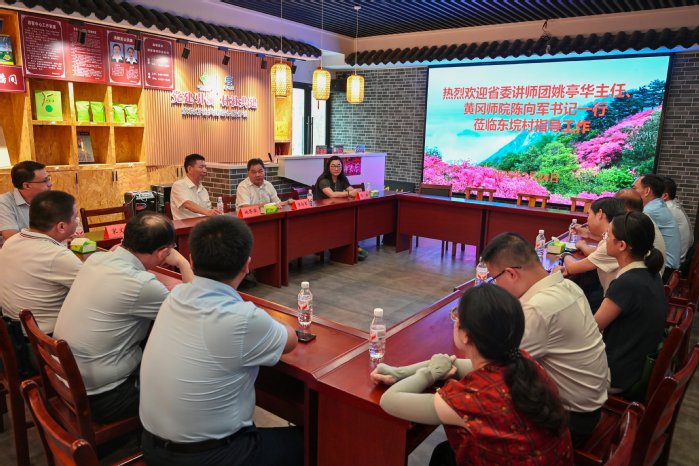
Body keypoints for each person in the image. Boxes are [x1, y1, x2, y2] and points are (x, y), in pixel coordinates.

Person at [139, 216, 302, 466]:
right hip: (209, 457)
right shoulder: (243, 318)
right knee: (313, 441)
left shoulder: (176, 295)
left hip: (151, 447)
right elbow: (290, 340)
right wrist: (258, 316)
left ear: (192, 260)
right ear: (247, 265)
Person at [371, 285, 573, 465]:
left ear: (466, 334)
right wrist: (401, 372)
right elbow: (455, 364)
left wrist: (429, 374)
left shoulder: (473, 399)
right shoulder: (523, 360)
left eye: (456, 317)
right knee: (443, 453)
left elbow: (390, 401)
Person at [53, 212, 194, 424]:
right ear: (164, 252)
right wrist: (183, 263)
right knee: (189, 383)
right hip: (104, 397)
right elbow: (192, 316)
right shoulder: (142, 284)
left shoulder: (96, 259)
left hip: (65, 379)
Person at [480, 232, 609, 446]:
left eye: (494, 279)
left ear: (511, 273)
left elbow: (495, 366)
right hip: (591, 403)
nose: (495, 286)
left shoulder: (538, 309)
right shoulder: (568, 286)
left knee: (471, 426)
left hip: (570, 419)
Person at [594, 211, 666, 394]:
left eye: (608, 235)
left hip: (618, 375)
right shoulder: (651, 272)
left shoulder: (628, 283)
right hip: (634, 366)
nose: (605, 240)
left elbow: (592, 328)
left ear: (622, 245)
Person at [555, 197, 626, 300]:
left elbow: (572, 268)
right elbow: (600, 249)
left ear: (600, 214)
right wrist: (588, 234)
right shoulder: (620, 235)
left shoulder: (611, 243)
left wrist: (565, 254)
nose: (587, 219)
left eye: (589, 214)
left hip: (613, 299)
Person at [632, 174, 681, 282]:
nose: (632, 192)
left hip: (664, 270)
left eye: (634, 188)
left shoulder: (650, 211)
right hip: (668, 267)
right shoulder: (658, 205)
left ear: (647, 191)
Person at [615, 188, 666, 277]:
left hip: (643, 277)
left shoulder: (634, 225)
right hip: (652, 275)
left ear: (625, 209)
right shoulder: (641, 219)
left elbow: (611, 249)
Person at [0, 161, 52, 241]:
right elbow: (13, 240)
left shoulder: (50, 199)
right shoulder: (4, 203)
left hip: (49, 246)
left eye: (48, 178)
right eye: (45, 181)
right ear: (27, 186)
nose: (50, 184)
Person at [170, 153, 218, 220]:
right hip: (185, 225)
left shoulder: (203, 189)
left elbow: (208, 209)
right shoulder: (178, 185)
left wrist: (214, 212)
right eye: (201, 167)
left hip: (203, 224)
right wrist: (208, 212)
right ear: (189, 169)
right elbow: (187, 204)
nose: (205, 171)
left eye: (205, 167)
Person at [662, 176, 693, 263]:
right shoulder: (674, 205)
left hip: (671, 264)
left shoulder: (666, 209)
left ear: (665, 196)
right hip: (681, 259)